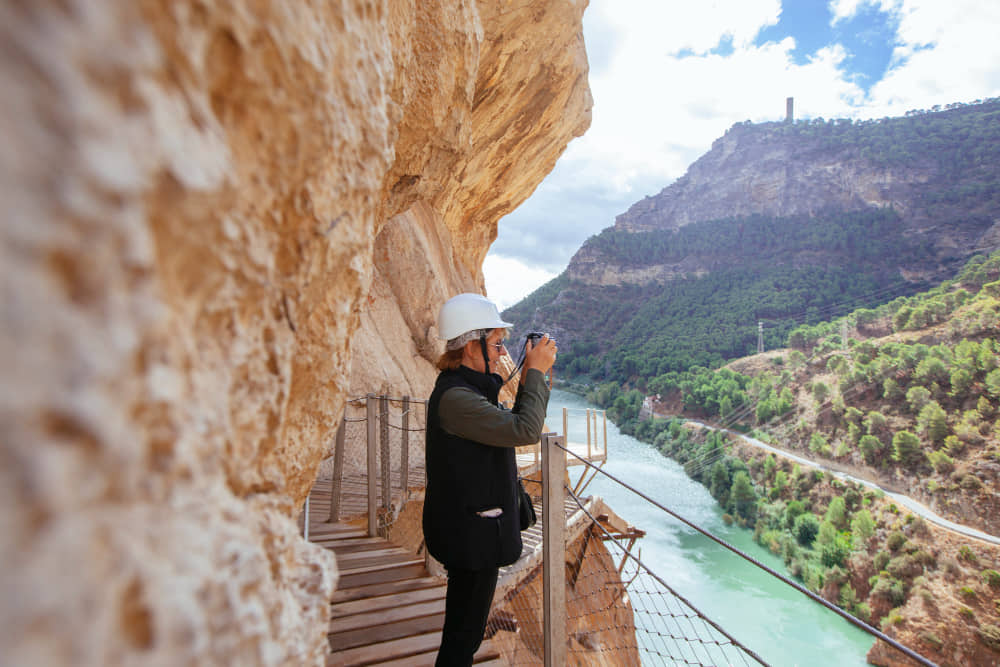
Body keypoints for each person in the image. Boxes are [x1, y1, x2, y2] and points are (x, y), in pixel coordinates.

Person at [422, 293, 557, 666]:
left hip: (471, 533)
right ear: (470, 347)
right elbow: (524, 428)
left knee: (463, 628)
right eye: (496, 344)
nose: (500, 353)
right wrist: (535, 371)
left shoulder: (464, 390)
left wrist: (537, 375)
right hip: (471, 538)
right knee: (463, 638)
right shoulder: (457, 399)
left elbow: (509, 428)